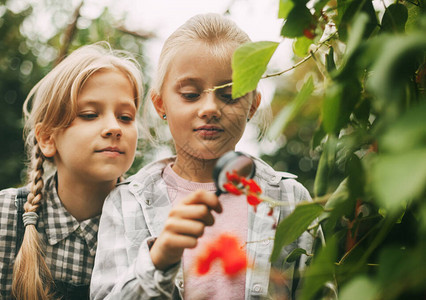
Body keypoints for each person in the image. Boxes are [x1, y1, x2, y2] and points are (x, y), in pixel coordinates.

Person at [91, 13, 314, 300]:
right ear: (161, 104)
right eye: (190, 94)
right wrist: (158, 260)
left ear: (252, 105)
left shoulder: (292, 199)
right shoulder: (125, 203)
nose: (210, 107)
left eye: (229, 95)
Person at [0, 42, 143, 300]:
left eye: (125, 117)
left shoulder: (148, 232)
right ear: (47, 139)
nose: (114, 127)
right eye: (89, 114)